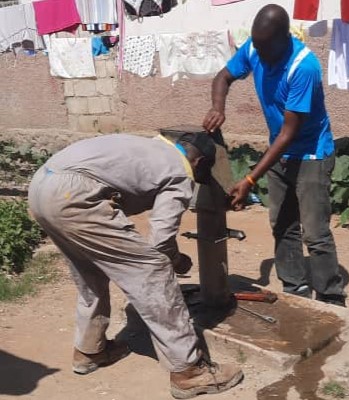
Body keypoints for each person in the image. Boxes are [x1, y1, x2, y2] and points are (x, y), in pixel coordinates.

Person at [28, 132, 243, 399]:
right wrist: (176, 260)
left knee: (90, 273)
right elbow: (160, 242)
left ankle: (90, 350)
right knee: (153, 270)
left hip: (41, 187)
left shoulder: (148, 147)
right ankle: (188, 371)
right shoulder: (180, 171)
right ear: (198, 162)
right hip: (75, 196)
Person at [203, 4, 346, 306]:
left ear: (283, 38)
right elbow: (223, 77)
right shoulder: (257, 48)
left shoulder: (303, 66)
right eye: (257, 45)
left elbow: (288, 134)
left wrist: (251, 179)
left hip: (311, 155)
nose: (260, 54)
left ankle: (332, 300)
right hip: (279, 153)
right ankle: (295, 292)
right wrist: (218, 107)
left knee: (315, 232)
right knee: (282, 225)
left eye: (266, 47)